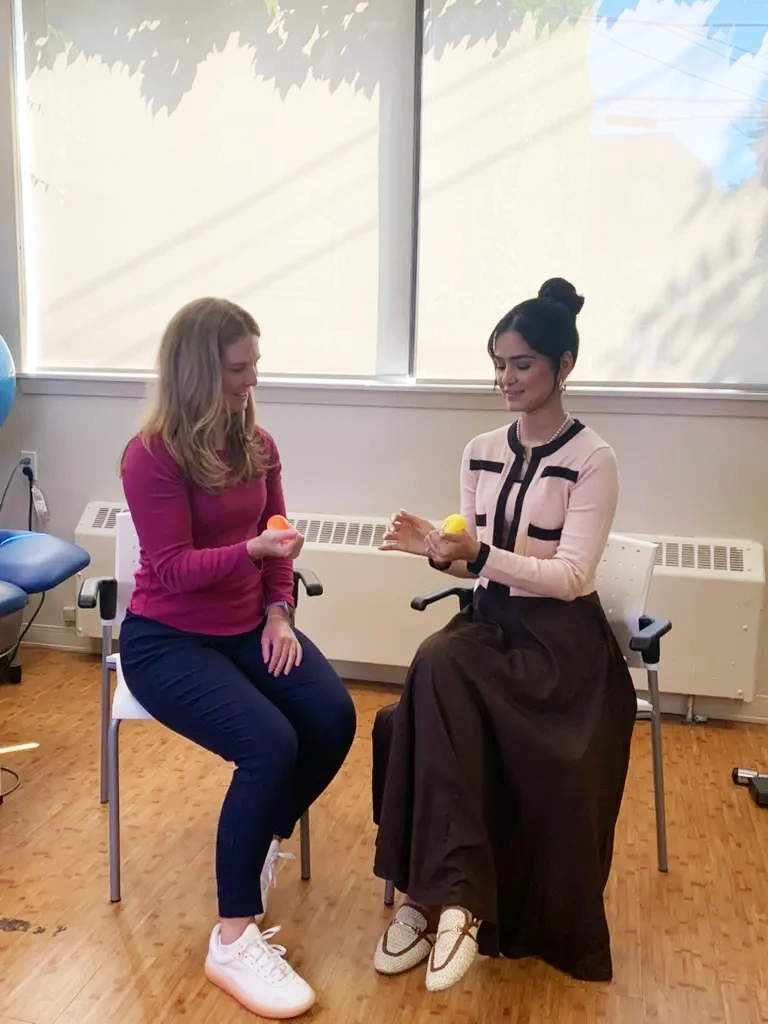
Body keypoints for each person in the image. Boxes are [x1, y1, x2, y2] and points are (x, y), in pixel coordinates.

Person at [371, 279, 636, 992]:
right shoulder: (480, 450)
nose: (506, 379)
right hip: (491, 625)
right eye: (498, 364)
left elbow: (572, 576)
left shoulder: (594, 459)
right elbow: (472, 554)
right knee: (435, 664)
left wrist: (479, 556)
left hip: (562, 652)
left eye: (521, 364)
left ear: (564, 365)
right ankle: (443, 900)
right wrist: (436, 550)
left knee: (435, 682)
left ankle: (436, 899)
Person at [119, 298, 356, 1020]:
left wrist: (279, 611)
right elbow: (173, 568)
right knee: (269, 743)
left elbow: (278, 537)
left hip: (249, 625)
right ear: (196, 371)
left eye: (255, 364)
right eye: (237, 368)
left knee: (332, 717)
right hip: (167, 640)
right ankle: (231, 937)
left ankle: (256, 842)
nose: (252, 380)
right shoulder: (151, 456)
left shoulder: (258, 443)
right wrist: (251, 552)